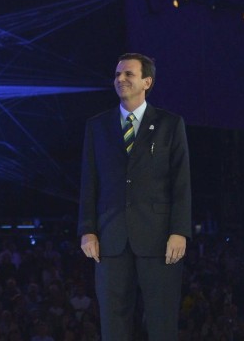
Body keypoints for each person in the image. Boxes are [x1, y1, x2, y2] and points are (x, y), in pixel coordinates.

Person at [78, 52, 191, 340]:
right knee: (113, 320)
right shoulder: (97, 126)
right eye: (117, 74)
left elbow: (181, 183)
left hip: (158, 237)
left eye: (128, 74)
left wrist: (179, 231)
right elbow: (89, 182)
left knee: (161, 318)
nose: (120, 79)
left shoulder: (169, 124)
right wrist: (88, 230)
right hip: (109, 237)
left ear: (147, 82)